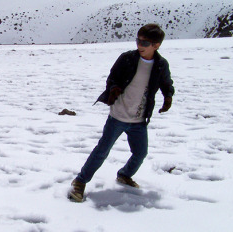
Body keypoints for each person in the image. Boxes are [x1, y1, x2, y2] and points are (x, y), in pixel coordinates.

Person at [68, 24, 175, 202]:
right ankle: (80, 182)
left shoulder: (161, 64)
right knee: (102, 151)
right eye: (138, 40)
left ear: (156, 45)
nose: (140, 45)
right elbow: (113, 77)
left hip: (139, 119)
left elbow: (166, 83)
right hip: (118, 116)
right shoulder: (127, 58)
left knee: (140, 153)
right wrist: (114, 87)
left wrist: (168, 97)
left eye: (145, 42)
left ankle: (124, 175)